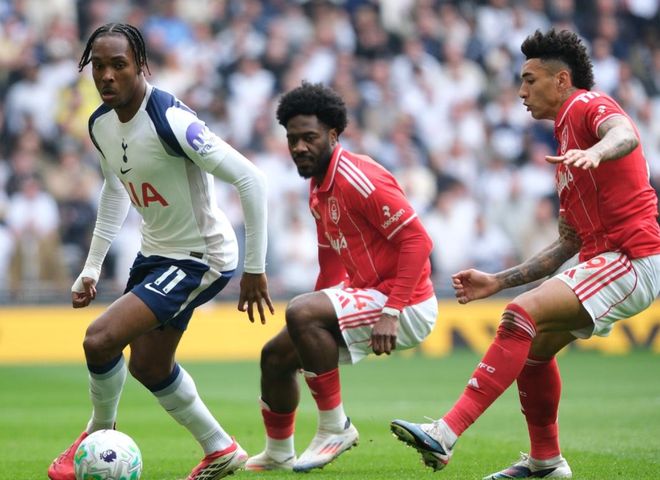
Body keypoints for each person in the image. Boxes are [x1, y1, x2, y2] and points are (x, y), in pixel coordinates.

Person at [390, 28, 660, 479]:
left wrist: (597, 152)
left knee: (520, 314)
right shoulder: (565, 146)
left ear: (561, 80)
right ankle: (546, 462)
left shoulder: (586, 105)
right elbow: (567, 245)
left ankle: (445, 432)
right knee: (532, 350)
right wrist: (498, 280)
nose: (521, 92)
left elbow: (624, 133)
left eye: (530, 80)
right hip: (607, 261)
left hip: (631, 258)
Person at [47, 23, 274, 480]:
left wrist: (255, 268)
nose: (106, 75)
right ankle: (221, 449)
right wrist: (91, 266)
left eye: (118, 65)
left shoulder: (172, 120)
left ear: (140, 67)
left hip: (201, 257)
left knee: (100, 339)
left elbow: (251, 179)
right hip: (156, 253)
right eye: (98, 66)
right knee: (150, 365)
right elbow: (115, 190)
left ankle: (95, 435)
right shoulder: (100, 124)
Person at [244, 81, 438, 472]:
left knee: (301, 312)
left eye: (309, 137)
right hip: (368, 293)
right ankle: (279, 453)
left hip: (407, 303)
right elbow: (330, 258)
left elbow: (418, 240)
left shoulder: (358, 178)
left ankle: (335, 428)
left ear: (333, 135)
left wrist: (392, 311)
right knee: (275, 356)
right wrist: (309, 323)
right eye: (292, 139)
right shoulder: (318, 185)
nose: (299, 147)